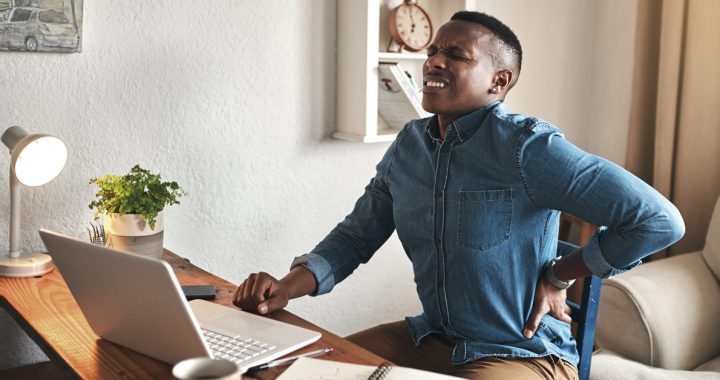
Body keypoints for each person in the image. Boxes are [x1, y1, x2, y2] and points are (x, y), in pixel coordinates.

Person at [232, 11, 685, 380]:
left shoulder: (529, 148)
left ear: (499, 81)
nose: (433, 61)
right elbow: (355, 237)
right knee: (294, 371)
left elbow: (658, 220)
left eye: (455, 54)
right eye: (432, 52)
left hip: (520, 354)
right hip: (430, 338)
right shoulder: (408, 146)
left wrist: (561, 274)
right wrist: (286, 288)